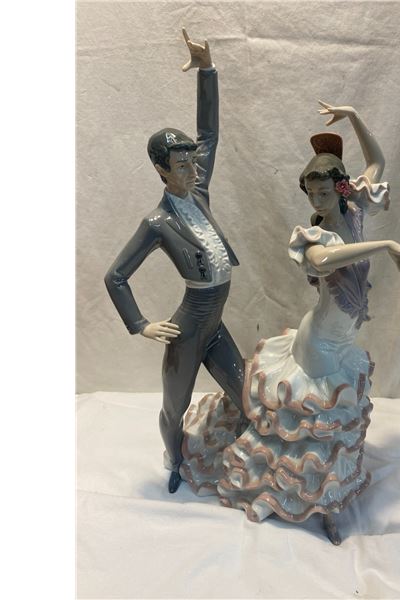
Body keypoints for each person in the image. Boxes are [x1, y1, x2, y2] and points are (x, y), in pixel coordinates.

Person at [181, 101, 400, 544]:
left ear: (341, 188)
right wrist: (385, 244)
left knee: (326, 430)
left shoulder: (355, 212)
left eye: (324, 193)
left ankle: (326, 498)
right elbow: (326, 260)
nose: (317, 201)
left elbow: (377, 162)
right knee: (315, 434)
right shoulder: (313, 238)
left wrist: (354, 116)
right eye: (311, 194)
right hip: (320, 343)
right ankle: (312, 500)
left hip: (344, 339)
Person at [104, 30, 246, 494]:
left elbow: (210, 135)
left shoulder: (199, 192)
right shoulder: (156, 222)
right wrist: (141, 324)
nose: (192, 170)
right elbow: (116, 276)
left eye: (192, 163)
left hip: (216, 324)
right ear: (161, 170)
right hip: (187, 329)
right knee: (174, 406)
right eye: (181, 166)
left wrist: (207, 71)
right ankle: (176, 461)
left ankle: (245, 459)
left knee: (246, 396)